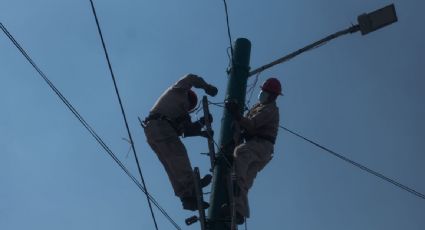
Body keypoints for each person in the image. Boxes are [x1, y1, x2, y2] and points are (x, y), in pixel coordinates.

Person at [143, 74, 218, 211]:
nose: (187, 109)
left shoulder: (177, 111)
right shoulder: (179, 90)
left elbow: (185, 130)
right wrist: (206, 87)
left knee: (171, 165)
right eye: (189, 106)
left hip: (154, 130)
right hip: (159, 125)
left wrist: (202, 127)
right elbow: (191, 77)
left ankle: (187, 199)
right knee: (178, 155)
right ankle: (192, 185)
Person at [225, 77, 282, 224]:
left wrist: (236, 114)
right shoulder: (258, 106)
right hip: (256, 145)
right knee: (244, 179)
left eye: (265, 92)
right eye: (262, 90)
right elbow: (244, 124)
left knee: (240, 154)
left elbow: (251, 125)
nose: (262, 93)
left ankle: (236, 204)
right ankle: (238, 211)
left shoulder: (270, 109)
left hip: (262, 146)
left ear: (273, 96)